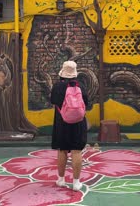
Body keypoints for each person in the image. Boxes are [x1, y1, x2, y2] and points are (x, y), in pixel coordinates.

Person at [50, 61, 88, 191]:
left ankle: (61, 180)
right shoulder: (81, 86)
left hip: (62, 123)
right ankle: (76, 183)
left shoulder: (57, 87)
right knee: (77, 151)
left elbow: (54, 102)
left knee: (63, 150)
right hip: (78, 123)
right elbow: (86, 103)